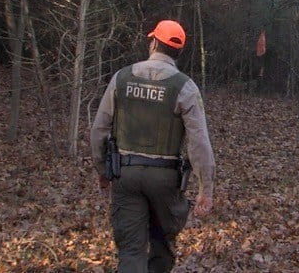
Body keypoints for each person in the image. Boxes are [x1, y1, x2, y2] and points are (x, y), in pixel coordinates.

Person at [90, 19, 216, 273]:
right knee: (162, 243)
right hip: (165, 179)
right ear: (178, 52)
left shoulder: (121, 78)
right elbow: (199, 143)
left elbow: (99, 131)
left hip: (125, 175)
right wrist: (206, 188)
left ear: (154, 42)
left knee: (131, 251)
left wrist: (102, 170)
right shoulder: (185, 87)